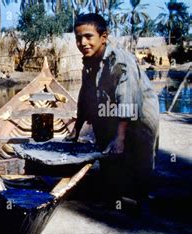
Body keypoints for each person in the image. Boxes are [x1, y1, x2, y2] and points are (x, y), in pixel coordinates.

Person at [66, 13, 159, 209]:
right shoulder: (89, 61)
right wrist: (76, 129)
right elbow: (85, 96)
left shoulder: (119, 61)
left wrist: (120, 137)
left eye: (88, 36)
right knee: (107, 151)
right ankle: (113, 191)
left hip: (139, 109)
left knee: (139, 154)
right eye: (78, 38)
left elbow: (127, 99)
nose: (82, 42)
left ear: (104, 37)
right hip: (111, 108)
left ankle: (141, 199)